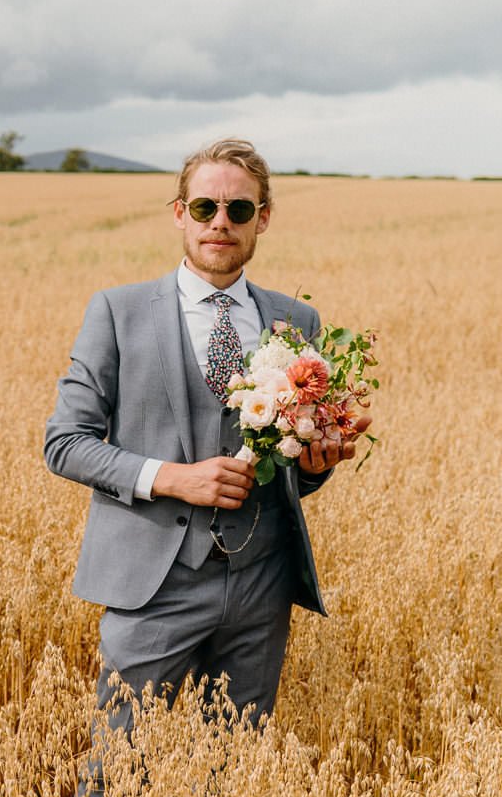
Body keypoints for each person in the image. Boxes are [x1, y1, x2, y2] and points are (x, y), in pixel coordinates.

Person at [43, 139, 368, 760]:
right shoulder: (117, 312)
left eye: (239, 211)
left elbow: (291, 461)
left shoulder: (297, 320)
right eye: (204, 208)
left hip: (261, 583)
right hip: (154, 585)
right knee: (117, 772)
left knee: (231, 779)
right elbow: (65, 443)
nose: (220, 223)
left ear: (263, 218)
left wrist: (317, 463)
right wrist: (170, 477)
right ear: (179, 213)